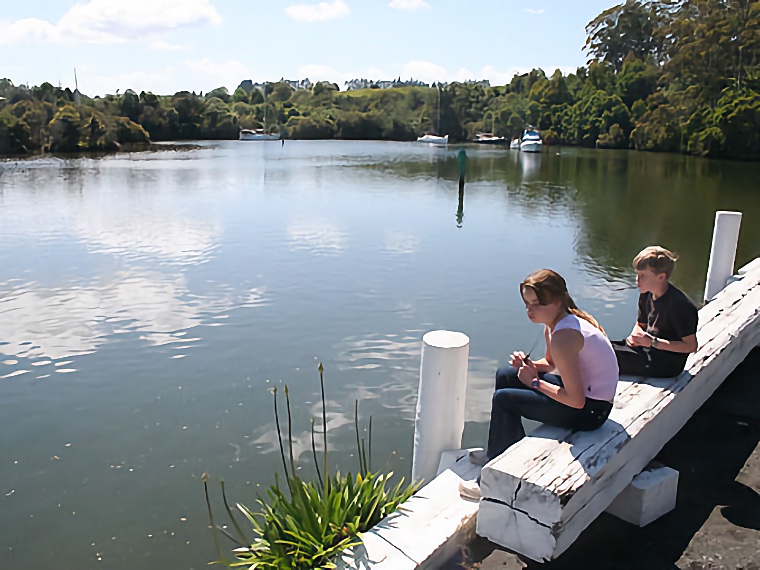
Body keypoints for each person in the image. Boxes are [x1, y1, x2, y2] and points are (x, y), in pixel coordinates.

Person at [459, 269, 619, 500]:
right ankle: (500, 452)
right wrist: (528, 365)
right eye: (526, 303)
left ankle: (490, 483)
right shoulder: (557, 323)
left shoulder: (565, 336)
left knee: (504, 400)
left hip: (591, 411)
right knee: (506, 375)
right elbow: (552, 363)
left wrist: (534, 382)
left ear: (556, 301)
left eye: (536, 304)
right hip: (584, 396)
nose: (529, 310)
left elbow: (576, 400)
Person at [612, 246, 698, 378]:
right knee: (598, 346)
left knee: (601, 358)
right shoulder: (646, 294)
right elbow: (641, 324)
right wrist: (635, 334)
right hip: (645, 350)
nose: (637, 280)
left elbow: (691, 346)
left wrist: (653, 342)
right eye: (637, 274)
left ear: (661, 277)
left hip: (665, 363)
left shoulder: (679, 305)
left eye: (643, 276)